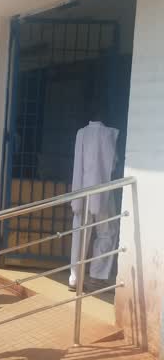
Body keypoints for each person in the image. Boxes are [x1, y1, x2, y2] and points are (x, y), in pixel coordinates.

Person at [69, 102, 120, 292]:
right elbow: (112, 164)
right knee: (107, 232)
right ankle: (98, 275)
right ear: (104, 113)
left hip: (81, 191)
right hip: (102, 191)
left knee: (79, 235)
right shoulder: (109, 134)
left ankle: (75, 278)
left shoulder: (81, 133)